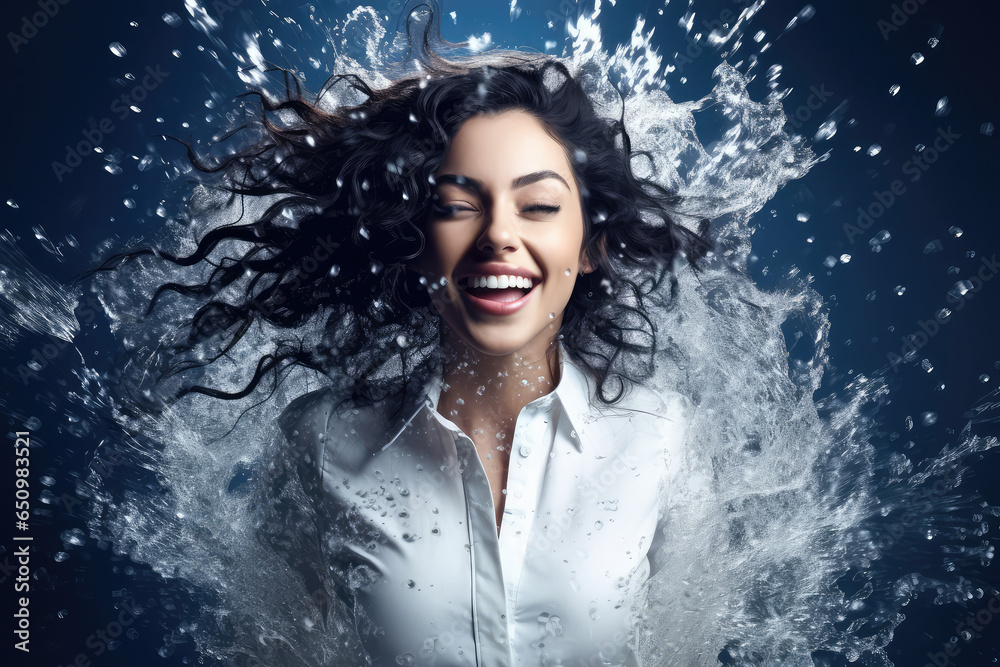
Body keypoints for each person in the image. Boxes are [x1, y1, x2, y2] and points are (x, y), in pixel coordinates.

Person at [101, 8, 712, 665]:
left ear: (591, 245)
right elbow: (264, 651)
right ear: (414, 241)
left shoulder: (662, 439)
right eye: (456, 205)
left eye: (537, 205)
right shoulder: (319, 443)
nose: (499, 234)